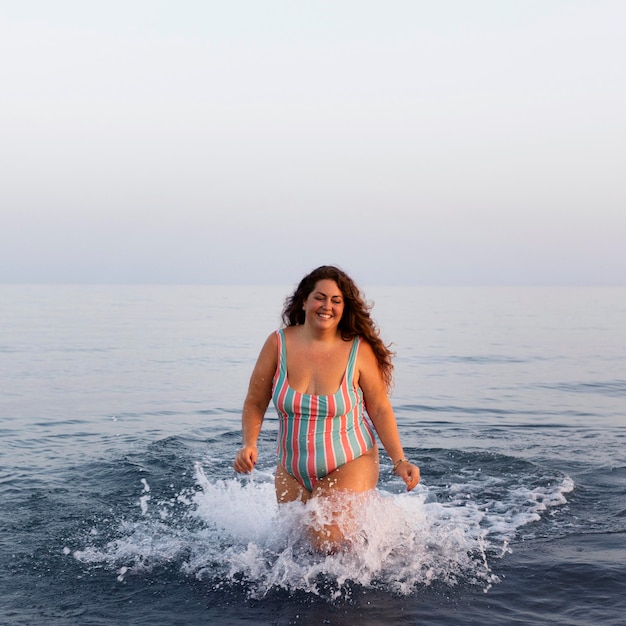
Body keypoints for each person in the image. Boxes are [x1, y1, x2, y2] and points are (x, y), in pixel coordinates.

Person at [233, 265, 420, 551]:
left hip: (350, 460)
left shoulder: (358, 349)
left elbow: (380, 408)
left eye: (336, 300)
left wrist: (399, 460)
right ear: (305, 300)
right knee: (296, 546)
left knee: (327, 540)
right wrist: (249, 443)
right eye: (320, 297)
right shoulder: (278, 343)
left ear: (344, 308)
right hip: (292, 468)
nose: (327, 306)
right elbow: (255, 400)